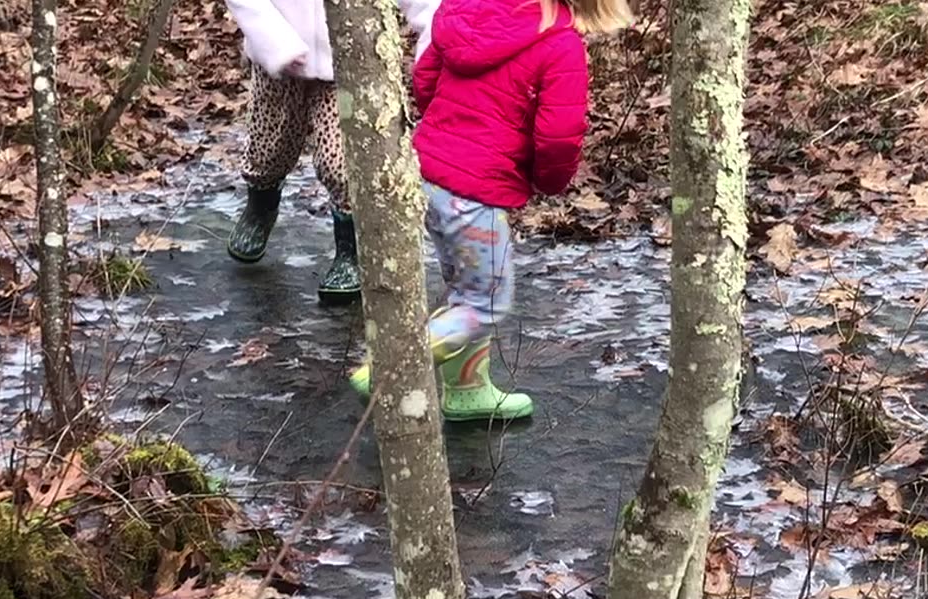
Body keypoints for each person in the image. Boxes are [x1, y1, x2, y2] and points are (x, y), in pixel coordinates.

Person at [350, 0, 632, 420]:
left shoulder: (463, 9)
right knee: (485, 303)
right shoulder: (560, 43)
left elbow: (425, 76)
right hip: (474, 193)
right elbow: (558, 136)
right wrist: (548, 181)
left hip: (428, 175)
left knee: (465, 290)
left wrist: (448, 133)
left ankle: (468, 391)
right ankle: (393, 369)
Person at [224, 0, 440, 303]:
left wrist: (435, 35)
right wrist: (274, 41)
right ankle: (261, 203)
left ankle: (350, 250)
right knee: (269, 147)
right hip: (277, 56)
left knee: (342, 163)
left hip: (347, 65)